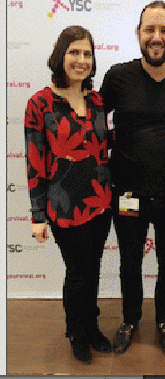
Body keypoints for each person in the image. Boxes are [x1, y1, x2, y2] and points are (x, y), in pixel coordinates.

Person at [99, 0, 165, 353]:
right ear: (138, 34)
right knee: (129, 261)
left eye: (164, 30)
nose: (157, 37)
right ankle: (129, 320)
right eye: (150, 30)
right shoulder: (117, 77)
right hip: (127, 194)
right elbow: (92, 124)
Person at [24, 25, 112, 365]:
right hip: (63, 205)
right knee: (77, 271)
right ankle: (76, 331)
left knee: (93, 268)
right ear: (61, 56)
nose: (81, 60)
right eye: (74, 52)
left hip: (100, 201)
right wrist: (37, 215)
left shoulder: (98, 101)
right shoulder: (40, 104)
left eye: (87, 54)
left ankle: (91, 326)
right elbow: (34, 161)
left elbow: (102, 150)